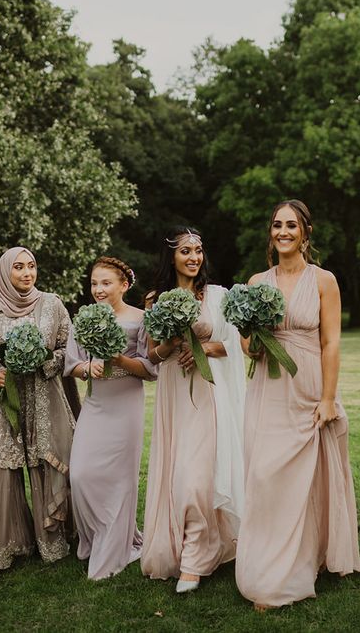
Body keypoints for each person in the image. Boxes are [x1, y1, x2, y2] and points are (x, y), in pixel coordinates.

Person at [235, 200, 360, 609]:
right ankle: (269, 561)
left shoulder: (324, 280)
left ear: (306, 233)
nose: (283, 231)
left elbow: (331, 342)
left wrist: (328, 397)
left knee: (307, 478)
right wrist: (250, 343)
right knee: (264, 474)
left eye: (291, 225)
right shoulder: (258, 280)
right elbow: (247, 343)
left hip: (309, 383)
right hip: (268, 388)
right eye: (277, 225)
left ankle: (302, 561)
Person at [141, 228, 246, 593]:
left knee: (198, 479)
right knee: (178, 473)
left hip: (208, 391)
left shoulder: (218, 296)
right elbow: (151, 356)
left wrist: (205, 347)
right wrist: (170, 344)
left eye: (199, 250)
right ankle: (190, 547)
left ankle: (195, 561)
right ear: (171, 256)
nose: (194, 257)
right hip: (175, 394)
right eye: (186, 251)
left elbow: (234, 343)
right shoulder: (155, 300)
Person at [0, 247, 76, 589]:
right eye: (18, 267)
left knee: (45, 463)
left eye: (31, 266)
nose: (27, 273)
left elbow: (67, 350)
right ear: (5, 273)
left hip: (44, 398)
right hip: (3, 403)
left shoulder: (53, 305)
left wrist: (42, 362)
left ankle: (52, 544)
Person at [64, 256, 156, 580]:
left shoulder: (141, 319)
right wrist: (87, 368)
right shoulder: (85, 318)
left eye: (106, 283)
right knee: (80, 475)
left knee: (120, 480)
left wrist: (118, 358)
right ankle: (96, 535)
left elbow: (150, 369)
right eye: (94, 283)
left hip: (127, 404)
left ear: (124, 285)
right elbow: (71, 363)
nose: (98, 289)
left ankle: (116, 545)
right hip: (97, 404)